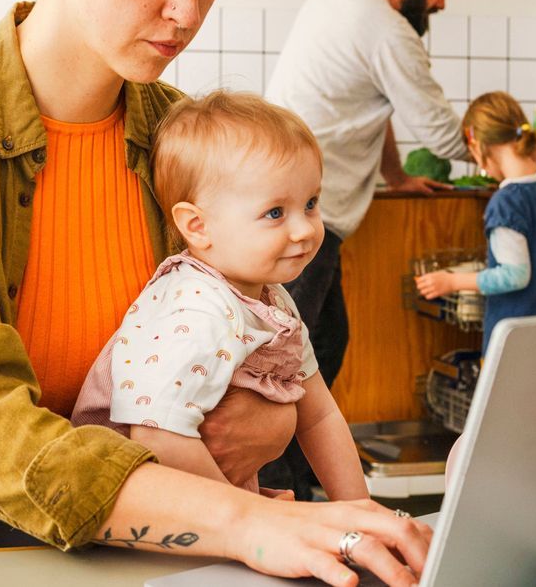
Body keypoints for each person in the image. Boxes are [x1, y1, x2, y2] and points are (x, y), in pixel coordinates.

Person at [0, 0, 431, 584]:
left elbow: (264, 367)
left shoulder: (188, 144)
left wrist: (273, 426)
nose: (187, 10)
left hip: (152, 558)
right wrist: (246, 515)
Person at [262, 0, 536, 499]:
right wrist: (522, 152)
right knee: (294, 351)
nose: (441, 3)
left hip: (289, 204)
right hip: (302, 212)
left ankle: (303, 476)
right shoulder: (389, 29)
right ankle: (279, 486)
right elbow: (438, 130)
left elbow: (372, 107)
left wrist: (397, 175)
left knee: (322, 340)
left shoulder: (333, 2)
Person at [72, 91, 368, 502]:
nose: (305, 230)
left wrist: (359, 509)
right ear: (197, 226)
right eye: (275, 213)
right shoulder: (196, 309)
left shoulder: (272, 299)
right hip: (126, 519)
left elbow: (318, 415)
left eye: (311, 203)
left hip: (200, 506)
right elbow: (157, 437)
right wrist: (251, 519)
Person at [415, 91, 536, 353]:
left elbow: (514, 276)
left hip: (523, 343)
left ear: (479, 148)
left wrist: (451, 282)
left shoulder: (507, 202)